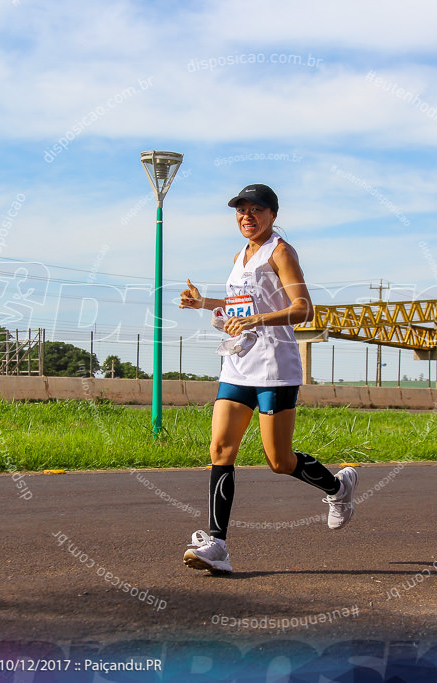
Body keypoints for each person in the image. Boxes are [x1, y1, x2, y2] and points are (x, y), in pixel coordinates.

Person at [178, 183, 359, 574]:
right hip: (238, 365)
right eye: (241, 210)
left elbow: (303, 308)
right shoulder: (240, 255)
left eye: (256, 209)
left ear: (272, 215)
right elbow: (243, 303)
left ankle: (338, 488)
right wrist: (204, 304)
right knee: (220, 449)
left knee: (279, 460)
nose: (247, 216)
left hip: (275, 367)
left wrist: (257, 320)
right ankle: (217, 544)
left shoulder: (281, 251)